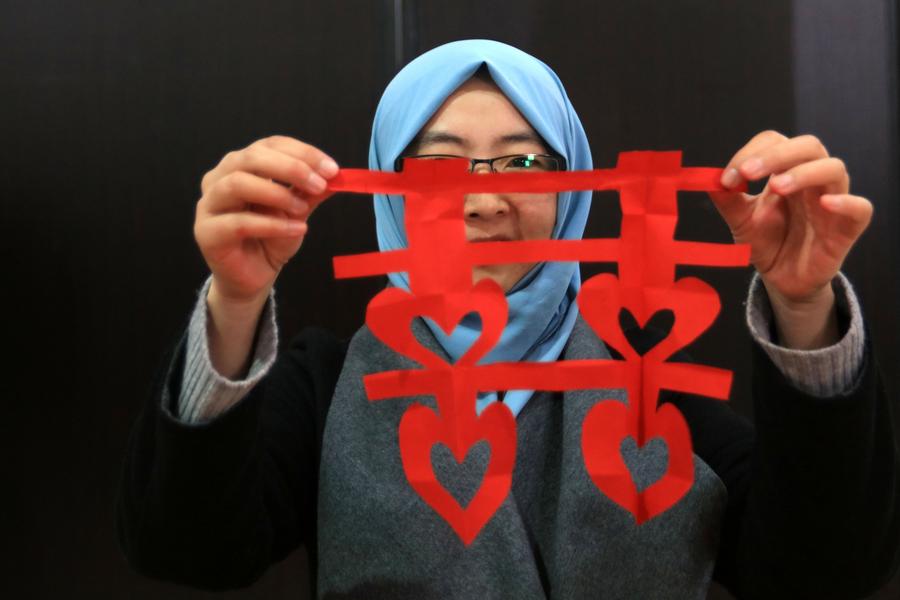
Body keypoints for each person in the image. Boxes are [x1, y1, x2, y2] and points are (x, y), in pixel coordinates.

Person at [115, 40, 899, 599]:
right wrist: (236, 300)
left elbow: (825, 569)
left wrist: (804, 306)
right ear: (387, 188)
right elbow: (188, 549)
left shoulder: (650, 382)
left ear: (572, 184)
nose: (485, 201)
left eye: (525, 162)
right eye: (436, 165)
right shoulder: (327, 386)